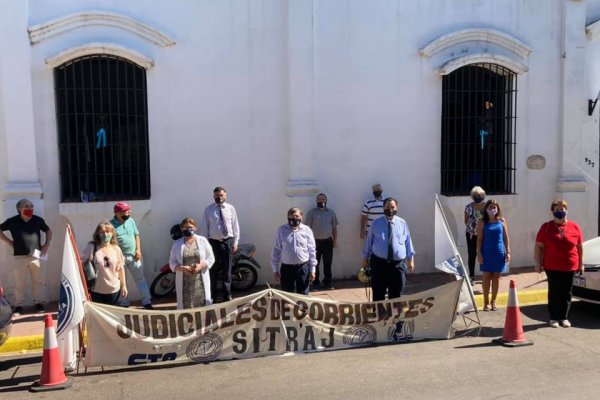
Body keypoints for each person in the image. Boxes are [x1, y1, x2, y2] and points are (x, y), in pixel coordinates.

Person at [534, 200, 583, 328]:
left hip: (570, 265)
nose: (560, 211)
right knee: (554, 291)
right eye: (557, 209)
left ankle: (564, 317)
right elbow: (539, 246)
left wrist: (581, 263)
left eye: (562, 209)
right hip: (552, 266)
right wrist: (538, 263)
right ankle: (554, 318)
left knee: (567, 292)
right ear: (552, 211)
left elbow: (579, 247)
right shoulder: (546, 227)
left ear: (567, 210)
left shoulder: (574, 227)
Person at [0, 199, 52, 315]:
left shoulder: (37, 220)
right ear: (19, 209)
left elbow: (48, 231)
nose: (30, 208)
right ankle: (19, 306)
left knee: (38, 281)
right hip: (19, 256)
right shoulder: (12, 221)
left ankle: (38, 303)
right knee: (19, 283)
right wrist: (9, 242)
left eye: (31, 206)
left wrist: (46, 245)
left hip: (36, 255)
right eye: (27, 206)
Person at [361, 198, 415, 301]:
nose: (390, 209)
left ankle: (395, 316)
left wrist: (411, 260)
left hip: (398, 265)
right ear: (383, 208)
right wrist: (364, 258)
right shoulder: (376, 223)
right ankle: (379, 316)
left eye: (392, 207)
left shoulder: (402, 223)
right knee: (378, 294)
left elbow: (408, 242)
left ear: (396, 208)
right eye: (387, 207)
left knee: (396, 295)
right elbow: (368, 241)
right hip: (379, 264)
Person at [110, 202, 153, 310]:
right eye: (125, 211)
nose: (128, 213)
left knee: (140, 279)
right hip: (119, 258)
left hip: (134, 256)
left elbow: (136, 236)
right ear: (118, 213)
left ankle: (147, 302)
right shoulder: (110, 225)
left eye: (129, 210)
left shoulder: (131, 221)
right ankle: (124, 303)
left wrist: (138, 250)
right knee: (122, 281)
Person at [202, 187, 239, 303]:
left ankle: (227, 296)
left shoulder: (231, 209)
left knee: (227, 271)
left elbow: (235, 226)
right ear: (213, 196)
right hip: (213, 243)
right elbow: (205, 228)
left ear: (225, 196)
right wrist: (206, 246)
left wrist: (235, 242)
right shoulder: (208, 210)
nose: (219, 197)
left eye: (222, 195)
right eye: (217, 195)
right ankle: (211, 296)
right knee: (213, 271)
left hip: (227, 242)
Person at [169, 218, 214, 309]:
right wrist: (182, 268)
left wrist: (201, 265)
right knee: (186, 309)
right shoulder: (177, 244)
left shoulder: (202, 240)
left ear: (195, 228)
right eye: (185, 227)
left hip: (200, 280)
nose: (188, 229)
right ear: (182, 229)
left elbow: (211, 258)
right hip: (183, 281)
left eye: (190, 227)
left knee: (203, 306)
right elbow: (172, 262)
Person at [271, 207, 317, 295]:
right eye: (291, 216)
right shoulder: (281, 230)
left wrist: (313, 269)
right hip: (287, 268)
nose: (294, 218)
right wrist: (275, 270)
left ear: (301, 217)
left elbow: (312, 250)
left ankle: (303, 309)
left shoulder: (307, 230)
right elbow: (276, 250)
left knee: (303, 294)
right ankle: (289, 309)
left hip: (302, 267)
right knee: (287, 295)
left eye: (296, 216)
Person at [81, 221, 128, 305]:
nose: (105, 234)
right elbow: (81, 264)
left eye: (108, 232)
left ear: (112, 233)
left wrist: (123, 286)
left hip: (113, 289)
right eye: (102, 232)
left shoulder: (116, 249)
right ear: (98, 234)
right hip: (96, 290)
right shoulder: (92, 247)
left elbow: (121, 269)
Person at [476, 199, 510, 311]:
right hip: (486, 252)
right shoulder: (482, 222)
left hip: (499, 253)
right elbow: (480, 239)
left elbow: (505, 237)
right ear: (486, 209)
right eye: (490, 207)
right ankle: (485, 302)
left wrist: (508, 252)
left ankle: (493, 301)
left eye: (495, 207)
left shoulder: (502, 221)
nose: (493, 209)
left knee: (496, 276)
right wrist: (479, 253)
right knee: (486, 277)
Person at [305, 193, 338, 290]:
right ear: (316, 201)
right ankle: (315, 283)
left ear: (326, 201)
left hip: (328, 242)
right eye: (319, 199)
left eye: (323, 199)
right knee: (315, 264)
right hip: (315, 242)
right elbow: (307, 229)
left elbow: (334, 228)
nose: (321, 200)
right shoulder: (311, 213)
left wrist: (335, 241)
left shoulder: (331, 212)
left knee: (328, 263)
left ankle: (328, 282)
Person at [464, 186, 486, 282]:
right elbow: (466, 221)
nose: (478, 197)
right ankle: (471, 276)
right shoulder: (468, 207)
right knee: (472, 254)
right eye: (476, 195)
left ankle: (486, 274)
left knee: (485, 253)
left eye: (479, 195)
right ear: (472, 196)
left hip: (484, 234)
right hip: (471, 234)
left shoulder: (486, 206)